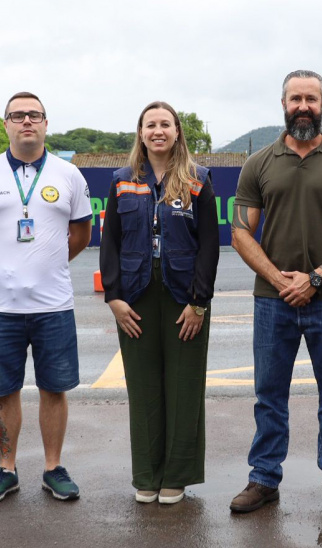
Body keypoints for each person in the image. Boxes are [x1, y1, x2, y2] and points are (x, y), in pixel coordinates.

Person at [229, 70, 322, 515]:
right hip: (272, 301)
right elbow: (239, 232)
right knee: (269, 395)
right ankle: (264, 479)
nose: (303, 106)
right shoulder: (259, 163)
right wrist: (280, 280)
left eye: (311, 98)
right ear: (284, 104)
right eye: (296, 98)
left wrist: (312, 279)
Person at [0, 92, 93, 505]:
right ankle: (6, 469)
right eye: (18, 116)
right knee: (3, 392)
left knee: (54, 389)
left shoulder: (70, 175)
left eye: (34, 115)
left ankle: (53, 468)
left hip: (54, 304)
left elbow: (81, 235)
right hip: (2, 307)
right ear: (6, 125)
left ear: (46, 123)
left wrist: (47, 265)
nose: (26, 122)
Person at [99, 101, 219, 505]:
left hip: (184, 297)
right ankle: (147, 475)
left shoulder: (198, 179)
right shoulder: (121, 180)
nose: (158, 131)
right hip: (135, 296)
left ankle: (177, 476)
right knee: (144, 389)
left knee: (184, 388)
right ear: (141, 132)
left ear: (177, 132)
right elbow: (110, 242)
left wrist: (199, 302)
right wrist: (113, 297)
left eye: (165, 124)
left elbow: (209, 246)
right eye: (150, 124)